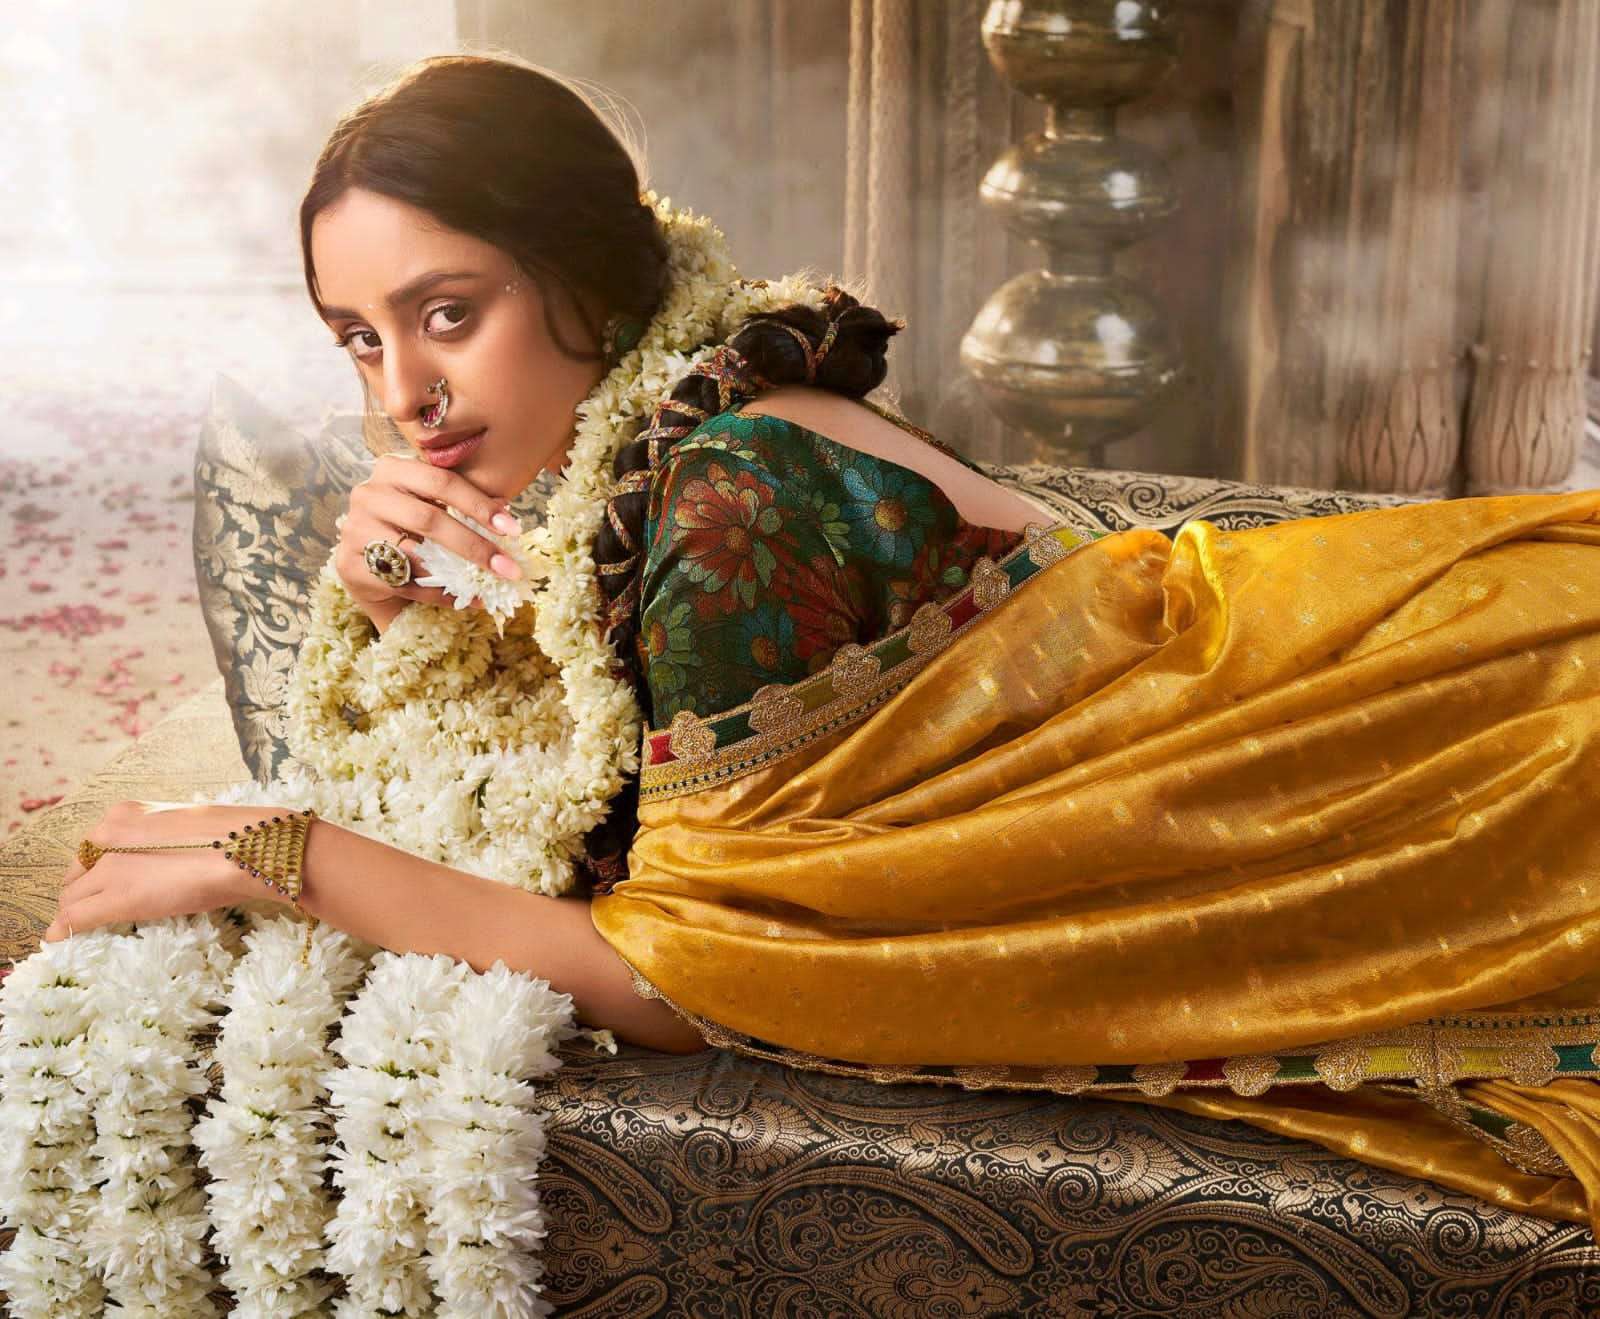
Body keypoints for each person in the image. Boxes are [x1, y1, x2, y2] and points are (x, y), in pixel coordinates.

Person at [38, 53, 1600, 1229]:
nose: (403, 399)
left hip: (1438, 741)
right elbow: (581, 784)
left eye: (450, 315)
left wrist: (278, 852)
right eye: (359, 339)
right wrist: (396, 618)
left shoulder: (728, 500)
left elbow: (692, 978)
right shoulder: (668, 420)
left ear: (590, 277)